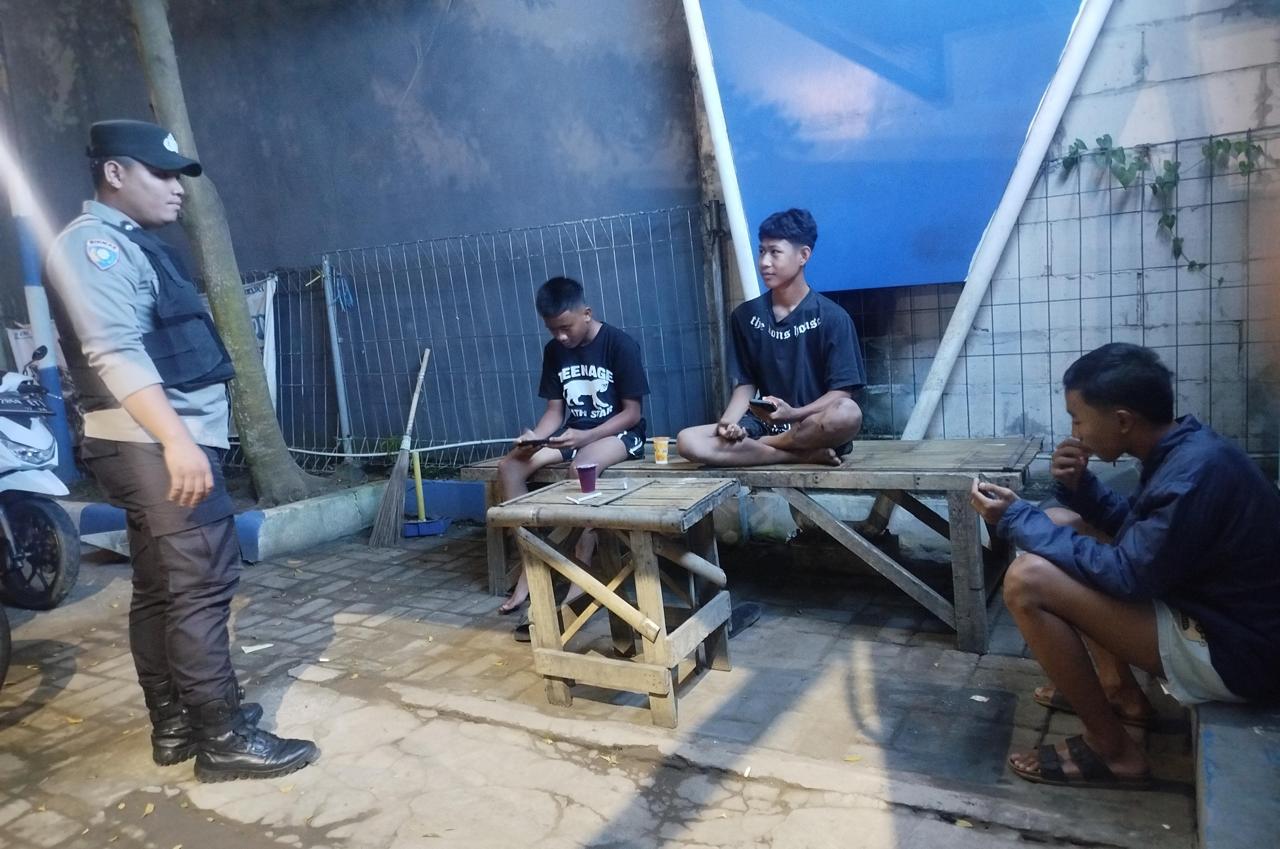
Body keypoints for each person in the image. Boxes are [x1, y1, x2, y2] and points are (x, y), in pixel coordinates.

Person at [44, 119, 317, 782]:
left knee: (163, 587)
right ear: (115, 173)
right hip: (152, 444)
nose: (176, 188)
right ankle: (221, 738)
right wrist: (175, 440)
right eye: (162, 173)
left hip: (144, 443)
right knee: (202, 586)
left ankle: (175, 724)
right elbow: (114, 351)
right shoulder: (93, 247)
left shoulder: (128, 243)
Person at [971, 343, 1280, 789]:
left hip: (1239, 655)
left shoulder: (1193, 474)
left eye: (1078, 419)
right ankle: (1119, 691)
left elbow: (1127, 575)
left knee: (1026, 580)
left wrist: (1017, 518)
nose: (1074, 432)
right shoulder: (1186, 450)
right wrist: (1081, 488)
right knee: (1063, 521)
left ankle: (1112, 751)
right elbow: (1141, 535)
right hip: (1220, 621)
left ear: (1121, 421)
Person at [495, 276, 649, 633]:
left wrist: (586, 435)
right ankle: (532, 565)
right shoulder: (554, 351)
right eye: (553, 330)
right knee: (510, 466)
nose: (561, 337)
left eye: (566, 328)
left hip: (618, 434)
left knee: (582, 467)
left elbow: (632, 414)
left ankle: (582, 564)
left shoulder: (620, 344)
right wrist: (536, 437)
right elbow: (554, 412)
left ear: (587, 313)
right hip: (573, 434)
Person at [676, 208, 863, 467]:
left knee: (848, 413)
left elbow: (841, 393)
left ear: (803, 255)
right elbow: (746, 384)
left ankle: (768, 447)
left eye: (775, 252)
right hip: (763, 423)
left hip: (812, 424)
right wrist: (728, 423)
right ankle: (799, 455)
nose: (764, 262)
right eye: (762, 251)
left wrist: (794, 413)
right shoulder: (745, 316)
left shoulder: (833, 317)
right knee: (687, 440)